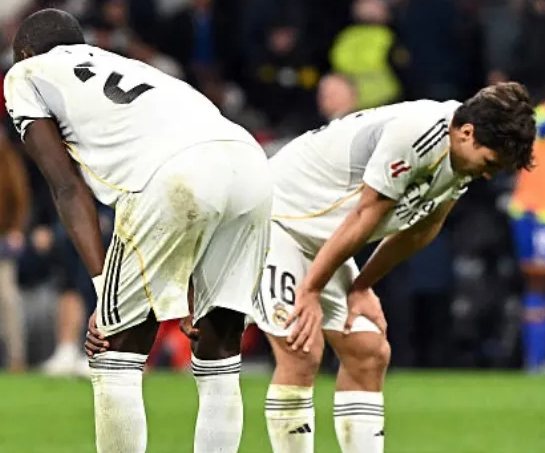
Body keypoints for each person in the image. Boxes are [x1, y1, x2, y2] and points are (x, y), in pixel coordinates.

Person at [5, 8, 271, 453]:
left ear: (27, 53)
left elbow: (67, 186)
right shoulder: (130, 64)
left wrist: (101, 288)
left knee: (115, 351)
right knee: (219, 350)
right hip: (249, 162)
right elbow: (203, 161)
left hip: (173, 174)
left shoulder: (25, 73)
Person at [254, 83, 535, 453]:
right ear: (467, 133)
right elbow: (365, 215)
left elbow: (420, 230)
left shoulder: (461, 154)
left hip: (322, 239)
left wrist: (361, 287)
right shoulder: (416, 133)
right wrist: (310, 290)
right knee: (302, 348)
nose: (488, 174)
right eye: (490, 163)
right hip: (275, 217)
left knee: (369, 352)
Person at [509, 102, 545, 373]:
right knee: (537, 283)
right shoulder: (539, 117)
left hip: (531, 211)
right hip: (536, 212)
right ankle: (536, 362)